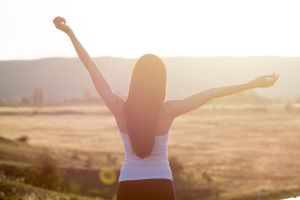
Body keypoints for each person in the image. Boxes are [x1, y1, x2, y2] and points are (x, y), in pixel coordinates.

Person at [53, 16, 279, 200]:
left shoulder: (119, 108)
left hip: (129, 186)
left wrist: (70, 33)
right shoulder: (168, 110)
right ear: (161, 82)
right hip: (161, 185)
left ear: (135, 80)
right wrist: (251, 84)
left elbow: (91, 67)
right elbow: (213, 92)